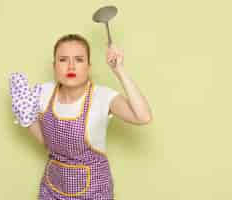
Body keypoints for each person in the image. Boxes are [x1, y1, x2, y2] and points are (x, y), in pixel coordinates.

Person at [9, 34, 152, 199]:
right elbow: (47, 144)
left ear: (88, 66)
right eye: (63, 60)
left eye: (78, 59)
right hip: (52, 190)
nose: (71, 66)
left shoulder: (102, 97)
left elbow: (143, 117)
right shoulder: (43, 93)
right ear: (54, 66)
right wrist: (26, 118)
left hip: (95, 191)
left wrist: (119, 70)